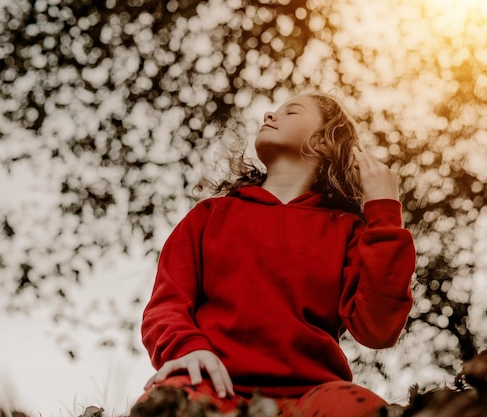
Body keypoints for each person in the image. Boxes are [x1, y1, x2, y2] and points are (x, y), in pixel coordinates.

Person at [132, 92, 416, 417]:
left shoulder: (349, 231)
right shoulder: (210, 215)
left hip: (311, 399)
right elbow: (166, 306)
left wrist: (384, 209)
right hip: (214, 385)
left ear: (324, 141)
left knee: (360, 408)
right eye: (272, 111)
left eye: (291, 111)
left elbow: (378, 328)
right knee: (168, 405)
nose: (269, 115)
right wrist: (186, 349)